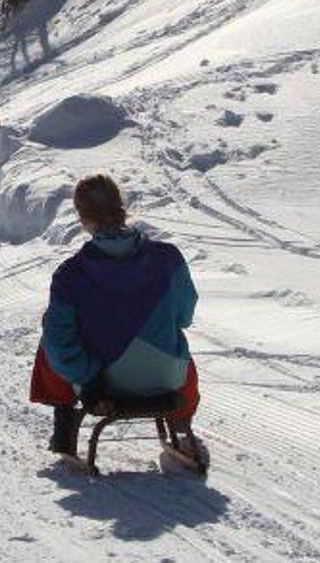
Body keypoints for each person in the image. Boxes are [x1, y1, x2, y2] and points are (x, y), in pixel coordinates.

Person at [28, 173, 200, 460]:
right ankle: (181, 420)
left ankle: (64, 425)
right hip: (167, 378)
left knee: (53, 331)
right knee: (174, 339)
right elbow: (185, 317)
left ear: (82, 217)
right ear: (121, 206)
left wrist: (88, 377)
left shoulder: (70, 276)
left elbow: (60, 346)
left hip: (103, 386)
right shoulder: (168, 258)